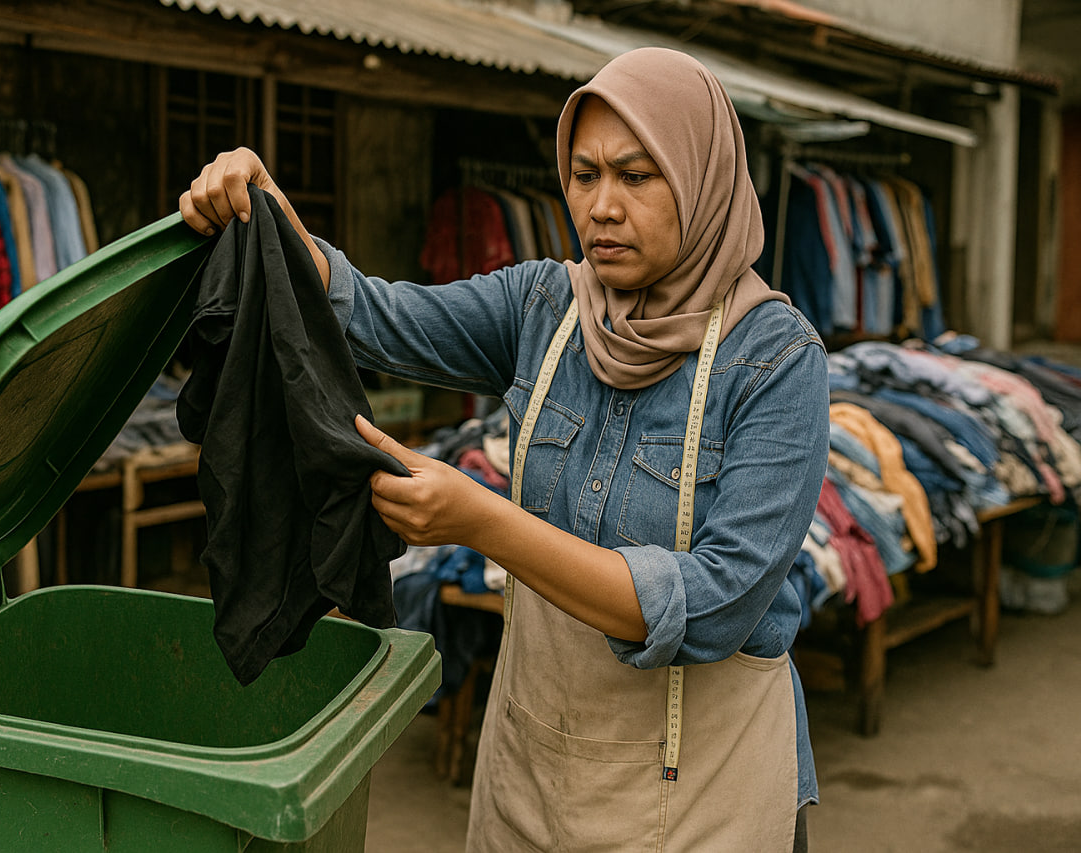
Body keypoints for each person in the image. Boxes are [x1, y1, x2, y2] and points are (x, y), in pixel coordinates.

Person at [182, 47, 828, 853]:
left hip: (705, 787)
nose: (602, 206)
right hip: (537, 764)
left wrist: (479, 519)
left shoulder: (775, 360)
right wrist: (266, 204)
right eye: (584, 174)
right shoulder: (546, 306)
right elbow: (372, 315)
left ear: (702, 179)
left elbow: (720, 600)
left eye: (636, 175)